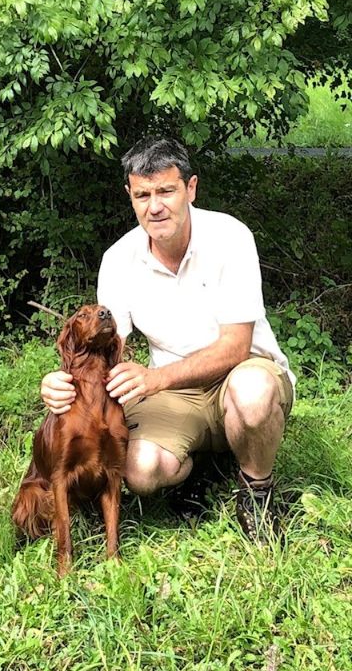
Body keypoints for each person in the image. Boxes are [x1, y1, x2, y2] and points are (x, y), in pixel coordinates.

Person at [41, 136, 294, 541]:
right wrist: (59, 381)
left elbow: (236, 346)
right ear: (130, 196)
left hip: (243, 371)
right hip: (179, 394)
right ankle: (199, 467)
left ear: (190, 188)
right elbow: (105, 346)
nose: (154, 206)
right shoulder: (118, 260)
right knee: (139, 470)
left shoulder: (230, 237)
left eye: (166, 191)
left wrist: (156, 379)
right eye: (142, 194)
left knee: (252, 394)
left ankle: (256, 491)